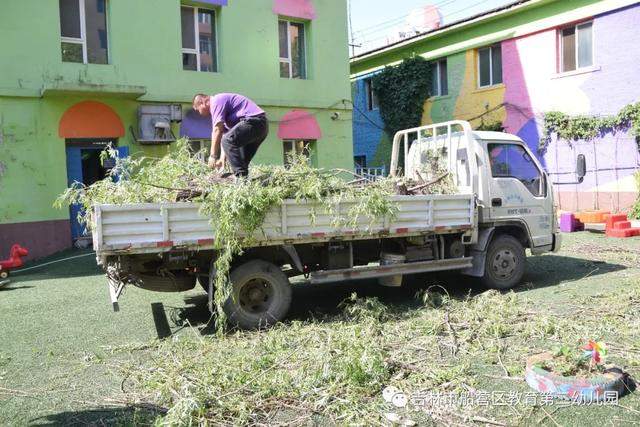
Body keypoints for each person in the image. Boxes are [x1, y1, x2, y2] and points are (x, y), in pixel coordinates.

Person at [193, 93, 268, 177]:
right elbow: (224, 136)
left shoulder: (216, 101)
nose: (199, 113)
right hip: (261, 127)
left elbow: (217, 130)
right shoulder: (222, 113)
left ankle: (241, 179)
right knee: (241, 162)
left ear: (202, 102)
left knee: (228, 140)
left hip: (254, 122)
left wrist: (213, 156)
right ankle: (243, 182)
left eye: (197, 109)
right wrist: (222, 159)